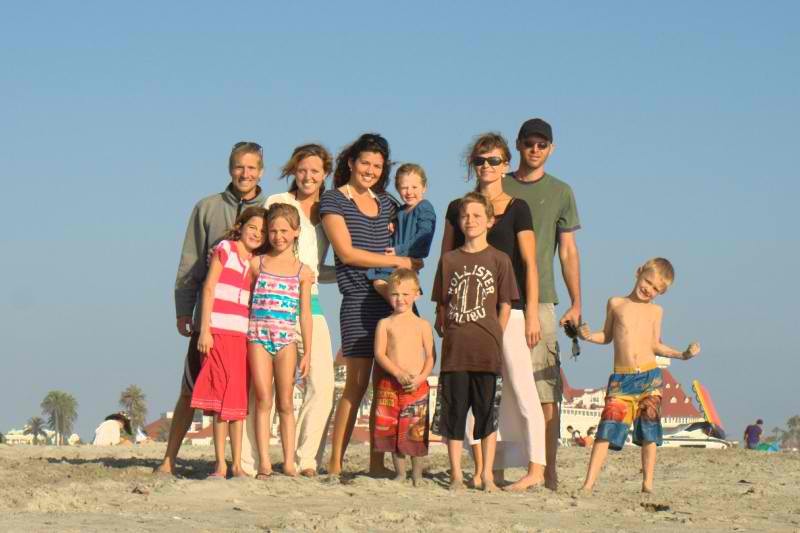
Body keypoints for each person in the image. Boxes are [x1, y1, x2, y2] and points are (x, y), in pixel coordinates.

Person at [439, 133, 546, 491]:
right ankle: (485, 469)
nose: (487, 167)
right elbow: (446, 260)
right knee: (474, 394)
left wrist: (531, 313)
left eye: (494, 160)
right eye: (480, 161)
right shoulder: (457, 208)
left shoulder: (518, 208)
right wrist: (443, 313)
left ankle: (536, 469)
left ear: (506, 164)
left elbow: (530, 265)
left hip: (510, 312)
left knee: (520, 387)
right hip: (466, 320)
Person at [156, 141, 267, 476]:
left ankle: (240, 463)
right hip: (210, 318)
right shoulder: (207, 207)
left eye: (252, 168)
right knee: (191, 387)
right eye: (239, 167)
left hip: (249, 320)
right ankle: (169, 458)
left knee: (239, 394)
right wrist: (183, 308)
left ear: (260, 171)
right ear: (230, 168)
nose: (245, 174)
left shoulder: (270, 208)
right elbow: (190, 262)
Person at [320, 133, 422, 476]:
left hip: (393, 304)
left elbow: (406, 244)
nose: (370, 170)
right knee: (357, 383)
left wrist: (408, 263)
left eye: (378, 166)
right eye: (365, 163)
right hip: (359, 303)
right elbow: (347, 253)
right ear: (350, 162)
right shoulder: (334, 200)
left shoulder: (389, 203)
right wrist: (396, 262)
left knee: (387, 386)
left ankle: (376, 464)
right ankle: (335, 463)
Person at [241, 144, 337, 478]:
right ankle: (252, 461)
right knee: (261, 389)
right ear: (293, 171)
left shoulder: (330, 209)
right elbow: (264, 249)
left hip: (308, 304)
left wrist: (333, 276)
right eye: (302, 170)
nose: (308, 176)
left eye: (315, 170)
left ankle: (303, 458)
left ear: (325, 173)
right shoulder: (278, 203)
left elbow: (318, 266)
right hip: (269, 309)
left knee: (322, 384)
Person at [503, 118, 583, 490]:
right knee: (494, 388)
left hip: (543, 301)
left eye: (542, 144)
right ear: (518, 144)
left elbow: (567, 251)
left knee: (544, 388)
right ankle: (494, 466)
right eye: (529, 143)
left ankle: (547, 470)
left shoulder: (562, 191)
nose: (535, 150)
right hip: (496, 298)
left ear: (551, 149)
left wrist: (576, 302)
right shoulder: (497, 183)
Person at [577, 258, 701, 493]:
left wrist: (682, 354)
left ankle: (647, 483)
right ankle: (588, 484)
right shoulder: (616, 303)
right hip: (621, 379)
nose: (649, 290)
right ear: (638, 272)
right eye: (648, 282)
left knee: (650, 433)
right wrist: (587, 336)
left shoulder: (656, 311)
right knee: (606, 430)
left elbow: (656, 345)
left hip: (649, 378)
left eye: (657, 289)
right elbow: (607, 336)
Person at [432, 192, 518, 492]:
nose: (470, 221)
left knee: (487, 417)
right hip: (455, 352)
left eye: (477, 216)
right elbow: (441, 303)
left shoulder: (500, 259)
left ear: (490, 221)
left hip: (486, 351)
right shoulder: (448, 260)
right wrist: (444, 326)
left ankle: (487, 476)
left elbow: (506, 303)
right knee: (455, 415)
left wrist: (498, 332)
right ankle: (456, 474)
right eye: (465, 216)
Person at [189, 207, 267, 479]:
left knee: (237, 403)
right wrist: (204, 330)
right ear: (241, 226)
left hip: (242, 336)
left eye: (262, 231)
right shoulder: (226, 248)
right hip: (218, 332)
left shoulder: (257, 261)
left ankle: (237, 465)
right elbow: (209, 287)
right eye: (253, 227)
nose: (257, 233)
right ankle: (220, 463)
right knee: (220, 401)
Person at [247, 203, 314, 478]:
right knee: (263, 398)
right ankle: (264, 461)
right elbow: (247, 300)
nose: (278, 236)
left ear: (296, 232)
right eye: (273, 231)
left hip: (286, 339)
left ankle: (289, 461)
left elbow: (305, 314)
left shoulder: (303, 271)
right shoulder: (257, 264)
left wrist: (307, 351)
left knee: (285, 402)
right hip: (258, 337)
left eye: (284, 230)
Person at [373, 269, 435, 486]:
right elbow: (380, 353)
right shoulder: (385, 323)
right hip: (391, 385)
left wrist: (420, 378)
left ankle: (417, 474)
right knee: (392, 431)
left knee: (415, 431)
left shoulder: (423, 325)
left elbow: (430, 357)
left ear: (417, 294)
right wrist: (397, 372)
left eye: (406, 294)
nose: (400, 299)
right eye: (395, 294)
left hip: (417, 386)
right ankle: (400, 473)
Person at [367, 163, 436, 302]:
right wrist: (391, 225)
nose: (409, 192)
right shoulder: (400, 211)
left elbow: (423, 237)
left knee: (381, 283)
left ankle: (404, 306)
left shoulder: (424, 207)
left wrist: (399, 250)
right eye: (404, 188)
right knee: (380, 282)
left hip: (406, 261)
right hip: (395, 262)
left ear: (424, 187)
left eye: (414, 187)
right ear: (398, 189)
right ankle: (404, 304)